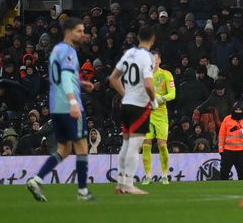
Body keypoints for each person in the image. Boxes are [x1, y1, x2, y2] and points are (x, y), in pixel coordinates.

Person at [25, 17, 97, 202]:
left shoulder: (56, 50)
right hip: (68, 105)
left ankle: (37, 179)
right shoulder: (69, 51)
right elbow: (65, 77)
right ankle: (82, 191)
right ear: (68, 32)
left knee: (64, 149)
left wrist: (81, 83)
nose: (82, 34)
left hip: (56, 105)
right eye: (79, 31)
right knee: (82, 146)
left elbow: (58, 78)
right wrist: (73, 102)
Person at [108, 25, 158, 195]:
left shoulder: (129, 53)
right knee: (135, 146)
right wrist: (154, 100)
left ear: (137, 37)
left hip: (126, 104)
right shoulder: (149, 57)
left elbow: (113, 78)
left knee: (126, 143)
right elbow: (149, 84)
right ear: (153, 39)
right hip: (139, 106)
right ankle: (128, 183)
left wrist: (125, 93)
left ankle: (120, 183)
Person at [141, 50, 176, 184]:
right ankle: (148, 176)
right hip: (146, 114)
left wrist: (160, 98)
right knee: (146, 144)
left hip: (161, 114)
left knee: (162, 145)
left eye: (156, 59)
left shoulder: (166, 75)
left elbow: (172, 94)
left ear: (159, 60)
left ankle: (165, 175)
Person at [217, 102, 243, 180]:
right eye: (236, 110)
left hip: (242, 151)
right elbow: (221, 135)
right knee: (223, 174)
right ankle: (223, 190)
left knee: (241, 175)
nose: (238, 111)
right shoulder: (227, 119)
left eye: (240, 110)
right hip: (228, 151)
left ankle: (241, 191)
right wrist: (221, 149)